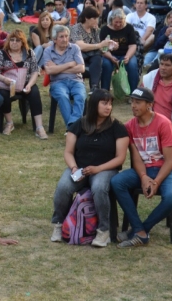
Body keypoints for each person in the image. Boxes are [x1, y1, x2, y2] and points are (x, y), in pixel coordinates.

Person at [50, 89, 128, 247]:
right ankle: (58, 224)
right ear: (94, 104)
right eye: (104, 103)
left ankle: (103, 231)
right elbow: (68, 152)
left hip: (105, 169)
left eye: (110, 104)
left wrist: (99, 169)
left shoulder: (117, 127)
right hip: (80, 168)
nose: (108, 107)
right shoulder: (80, 124)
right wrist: (73, 168)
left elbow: (120, 157)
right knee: (63, 186)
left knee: (99, 187)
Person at [110, 87, 172, 248]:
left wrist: (156, 182)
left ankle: (141, 230)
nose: (133, 106)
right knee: (117, 182)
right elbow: (136, 157)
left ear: (149, 105)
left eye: (138, 102)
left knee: (171, 197)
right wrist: (143, 177)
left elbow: (170, 160)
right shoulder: (129, 126)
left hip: (168, 170)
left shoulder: (163, 123)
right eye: (132, 102)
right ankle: (138, 230)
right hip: (144, 169)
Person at [0, 30, 46, 139]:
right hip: (7, 84)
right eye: (12, 40)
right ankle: (9, 123)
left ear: (22, 42)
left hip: (25, 83)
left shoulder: (29, 52)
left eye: (17, 40)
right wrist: (5, 79)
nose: (14, 43)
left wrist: (30, 85)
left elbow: (35, 71)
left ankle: (39, 127)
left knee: (35, 93)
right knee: (3, 94)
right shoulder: (2, 53)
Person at [43, 25, 87, 129]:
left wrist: (57, 68)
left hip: (76, 80)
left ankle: (72, 127)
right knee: (63, 96)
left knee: (80, 96)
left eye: (67, 36)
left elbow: (81, 68)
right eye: (61, 37)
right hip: (58, 82)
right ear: (54, 39)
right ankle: (75, 128)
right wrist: (69, 64)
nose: (65, 39)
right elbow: (49, 70)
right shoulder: (48, 51)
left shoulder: (75, 48)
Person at [99, 9, 139, 93]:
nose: (118, 24)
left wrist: (127, 56)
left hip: (125, 53)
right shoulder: (104, 29)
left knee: (132, 65)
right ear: (111, 20)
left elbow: (132, 45)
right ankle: (104, 93)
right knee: (106, 65)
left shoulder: (129, 28)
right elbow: (103, 48)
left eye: (121, 22)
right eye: (116, 22)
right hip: (109, 54)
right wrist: (110, 57)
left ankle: (133, 92)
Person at [68, 6, 105, 91]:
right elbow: (80, 46)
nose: (96, 20)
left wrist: (108, 47)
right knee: (96, 58)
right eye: (94, 18)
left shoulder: (95, 30)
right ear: (86, 18)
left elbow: (98, 46)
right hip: (77, 57)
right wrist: (100, 45)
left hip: (91, 57)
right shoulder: (76, 28)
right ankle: (94, 87)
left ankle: (94, 87)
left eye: (97, 18)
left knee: (98, 58)